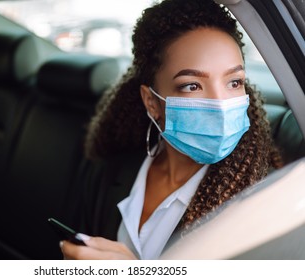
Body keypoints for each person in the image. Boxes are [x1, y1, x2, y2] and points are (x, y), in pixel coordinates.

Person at [61, 0, 282, 260]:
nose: (221, 103)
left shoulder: (264, 201)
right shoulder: (109, 168)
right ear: (152, 102)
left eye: (234, 82)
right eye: (192, 86)